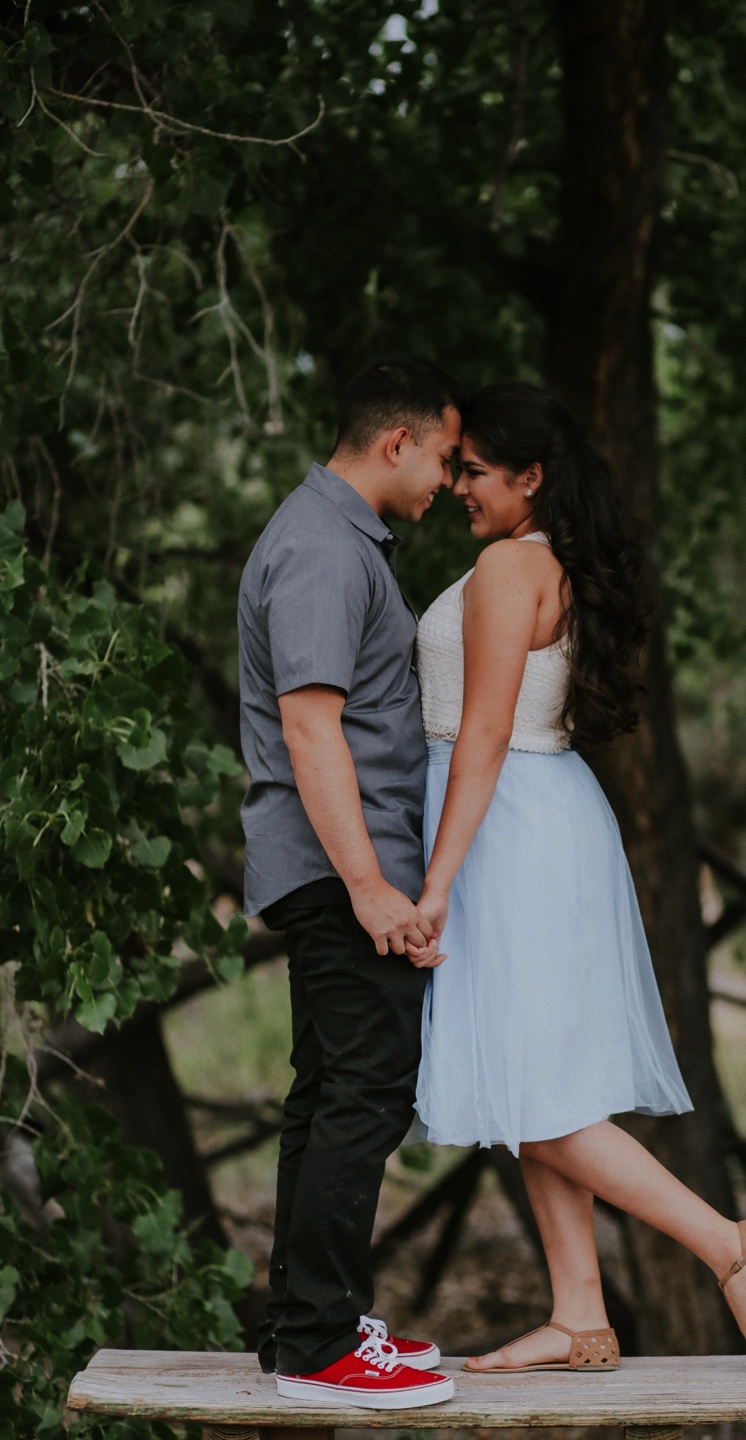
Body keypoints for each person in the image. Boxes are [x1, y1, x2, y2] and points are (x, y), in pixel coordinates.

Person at [411, 382, 746, 1376]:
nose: (458, 488)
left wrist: (437, 877)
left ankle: (728, 1246)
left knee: (534, 1096)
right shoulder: (551, 563)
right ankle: (580, 1312)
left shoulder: (507, 567)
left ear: (532, 477)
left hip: (508, 830)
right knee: (538, 1080)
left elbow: (482, 730)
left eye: (477, 472)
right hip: (537, 817)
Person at [237, 357, 462, 1409]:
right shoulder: (325, 549)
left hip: (334, 866)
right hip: (342, 869)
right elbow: (309, 722)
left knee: (330, 1090)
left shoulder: (332, 536)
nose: (449, 484)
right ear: (395, 443)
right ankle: (325, 1344)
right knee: (366, 1089)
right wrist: (371, 884)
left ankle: (306, 1325)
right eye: (446, 460)